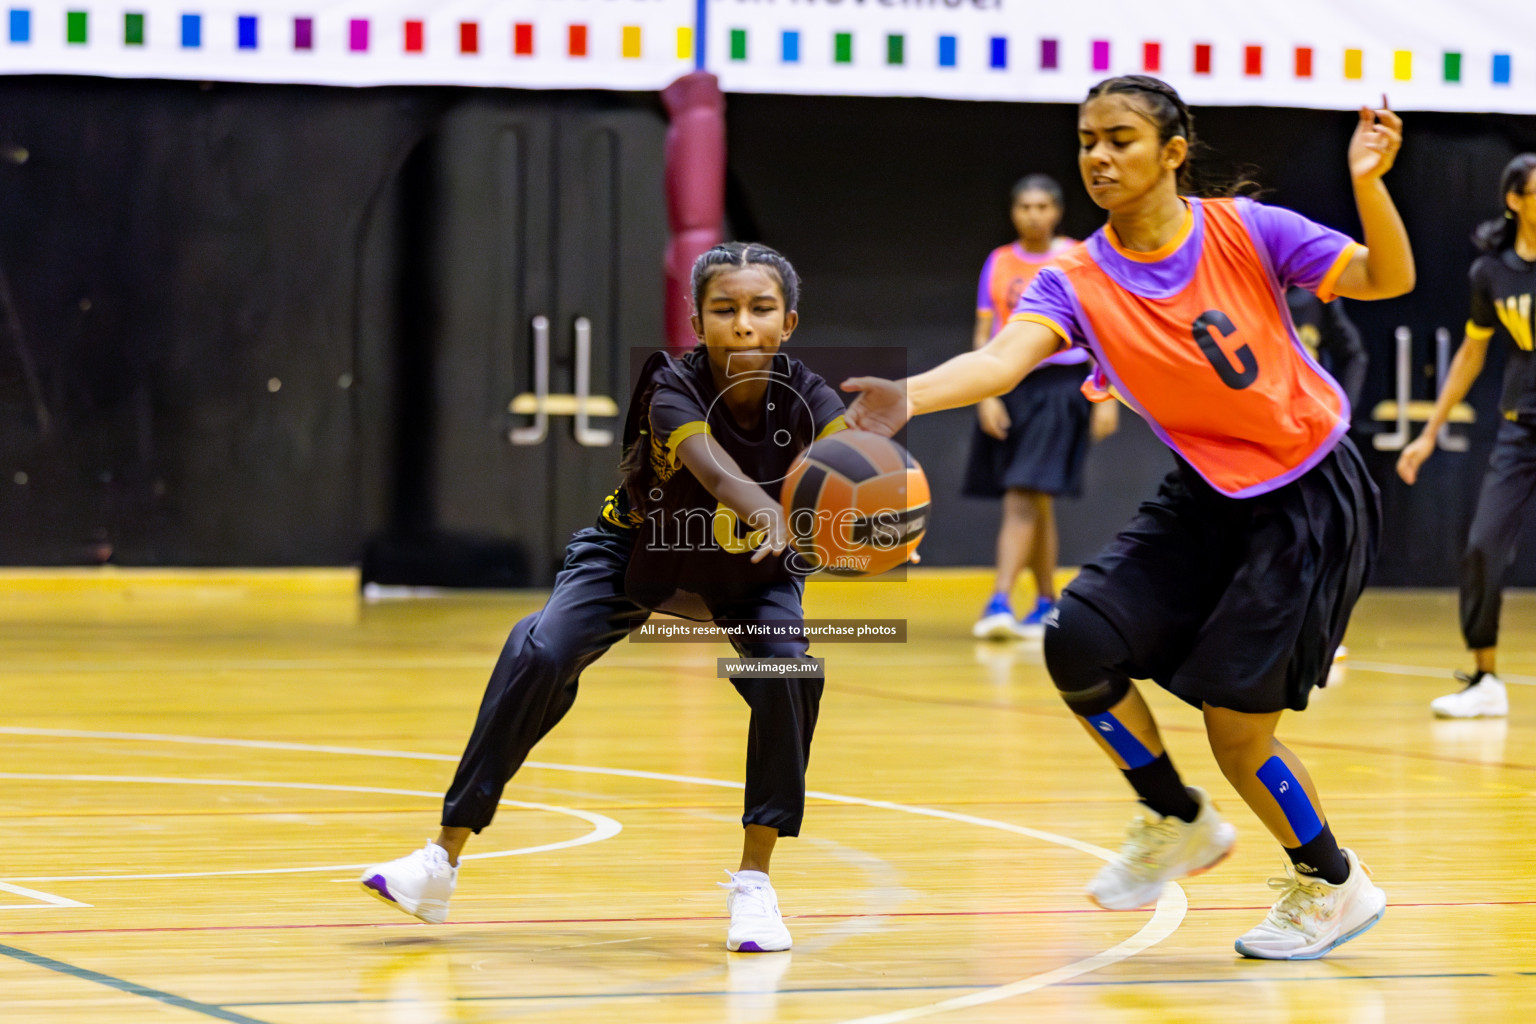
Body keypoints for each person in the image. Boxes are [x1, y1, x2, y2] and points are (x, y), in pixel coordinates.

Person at [843, 76, 1414, 960]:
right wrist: (903, 397)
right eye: (1086, 141)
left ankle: (1333, 882)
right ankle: (1174, 817)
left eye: (1120, 139)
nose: (1099, 158)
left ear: (1174, 151)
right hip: (1205, 489)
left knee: (1237, 730)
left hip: (1306, 492)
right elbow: (1001, 362)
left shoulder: (1246, 228)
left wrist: (1370, 183)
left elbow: (1388, 277)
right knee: (1076, 640)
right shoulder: (1073, 276)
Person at [359, 242, 848, 953]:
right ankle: (439, 860)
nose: (743, 324)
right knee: (540, 649)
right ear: (696, 320)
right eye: (725, 309)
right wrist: (765, 504)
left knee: (790, 672)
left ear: (789, 321)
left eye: (760, 308)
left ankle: (754, 883)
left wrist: (875, 516)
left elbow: (852, 460)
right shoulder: (669, 387)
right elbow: (711, 469)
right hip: (637, 550)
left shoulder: (813, 397)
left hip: (750, 571)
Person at [1396, 153, 1536, 719]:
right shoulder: (1492, 273)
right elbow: (1472, 353)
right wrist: (1428, 433)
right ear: (1515, 201)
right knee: (1482, 547)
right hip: (1519, 430)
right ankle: (1484, 679)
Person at [966, 175, 1118, 640]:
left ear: (1057, 211)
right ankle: (1049, 603)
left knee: (1021, 494)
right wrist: (985, 392)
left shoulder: (1077, 257)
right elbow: (984, 333)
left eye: (1043, 206)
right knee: (1037, 500)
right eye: (1025, 206)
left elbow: (1102, 330)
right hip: (1010, 381)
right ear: (1014, 212)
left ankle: (1000, 600)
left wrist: (1106, 395)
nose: (1034, 214)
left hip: (1061, 385)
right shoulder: (999, 261)